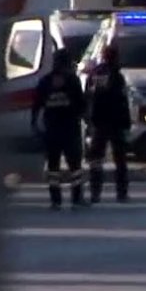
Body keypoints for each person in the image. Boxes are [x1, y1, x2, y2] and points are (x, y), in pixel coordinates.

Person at [31, 48, 87, 209]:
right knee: (75, 166)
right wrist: (86, 119)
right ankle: (77, 198)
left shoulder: (46, 81)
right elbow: (81, 104)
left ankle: (55, 200)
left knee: (53, 167)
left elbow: (37, 105)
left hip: (52, 129)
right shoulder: (72, 80)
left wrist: (35, 123)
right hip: (70, 129)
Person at [84, 43, 132, 203]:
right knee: (120, 159)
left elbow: (89, 97)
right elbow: (122, 100)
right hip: (115, 121)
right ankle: (122, 193)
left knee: (96, 160)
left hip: (98, 121)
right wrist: (127, 122)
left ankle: (95, 192)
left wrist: (88, 119)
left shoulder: (95, 73)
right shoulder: (117, 76)